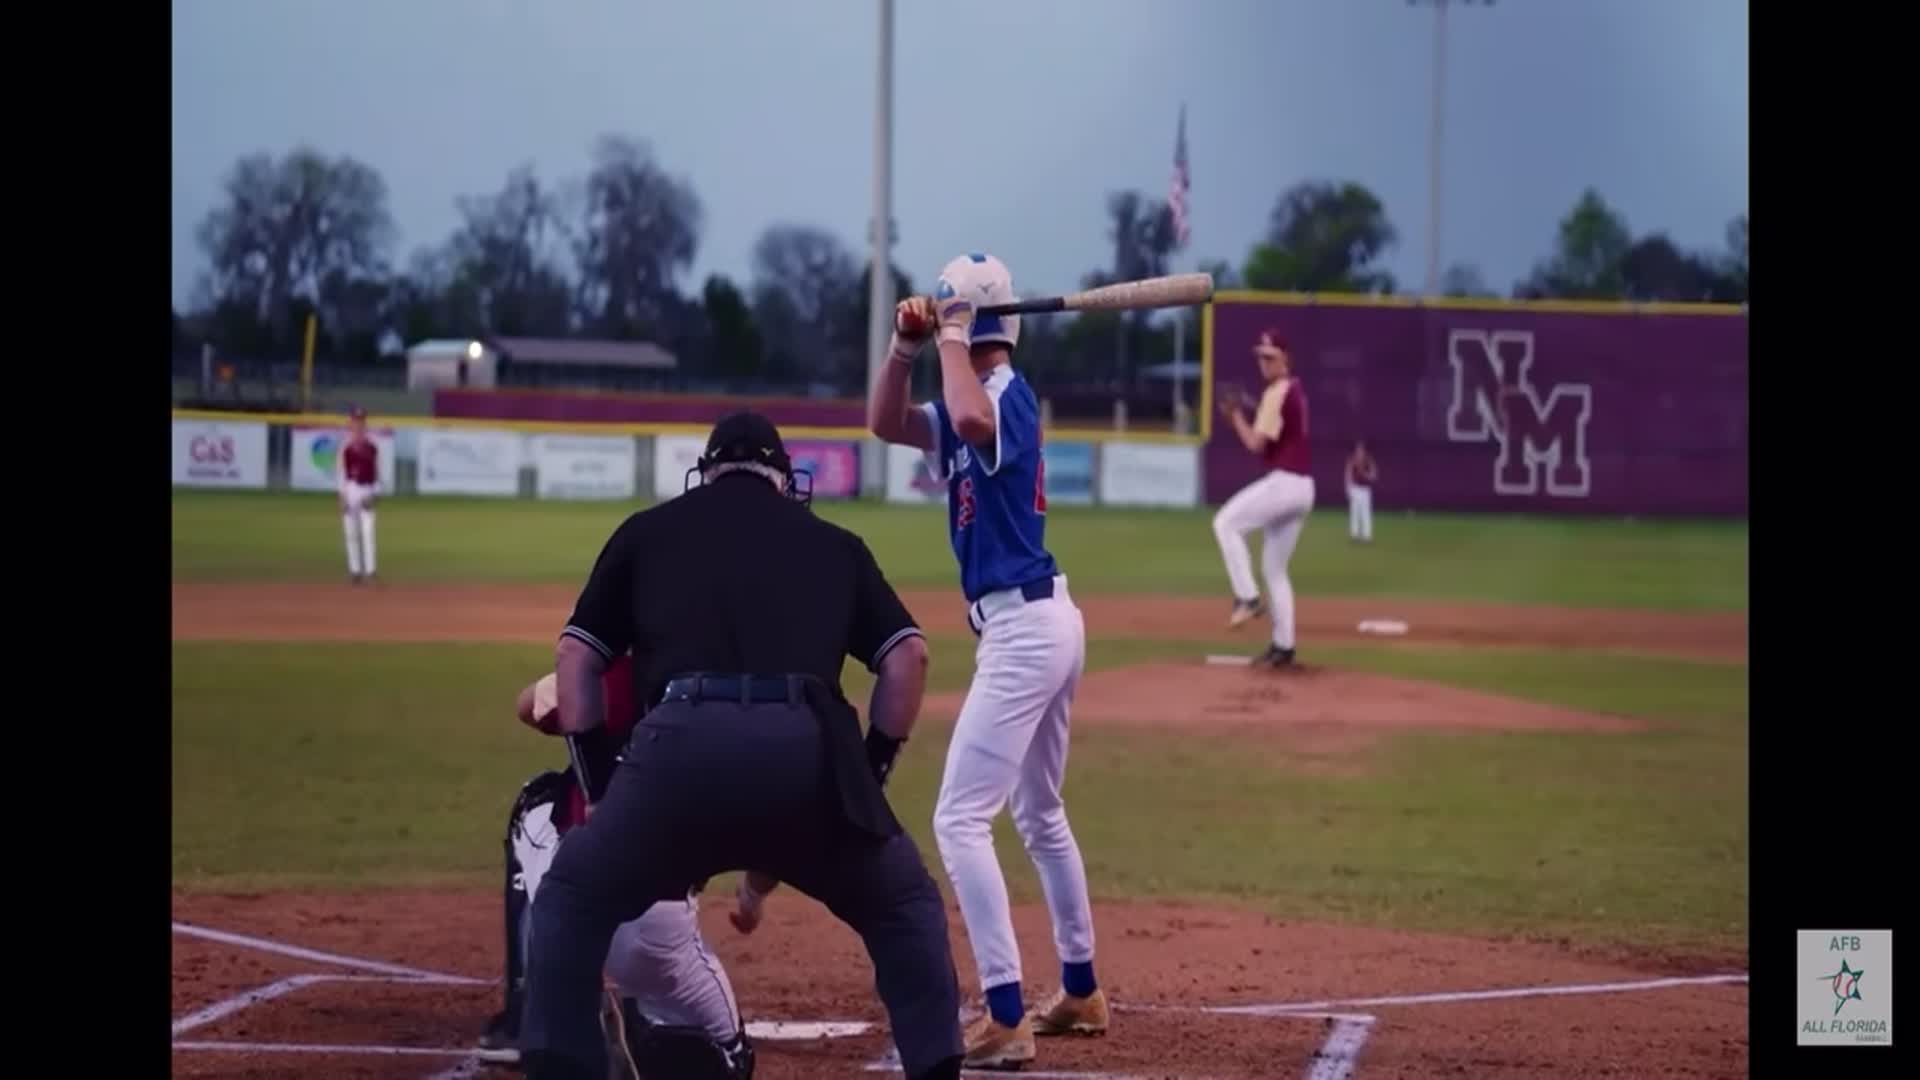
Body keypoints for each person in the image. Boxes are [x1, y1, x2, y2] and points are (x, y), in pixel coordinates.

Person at [518, 412, 964, 1080]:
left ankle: (563, 1067)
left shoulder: (647, 532)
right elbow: (909, 661)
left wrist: (603, 783)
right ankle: (937, 1069)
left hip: (677, 752)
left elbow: (574, 656)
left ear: (708, 471)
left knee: (571, 897)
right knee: (905, 908)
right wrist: (862, 782)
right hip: (807, 755)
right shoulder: (835, 543)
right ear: (784, 479)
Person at [866, 253, 1106, 1072]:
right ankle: (1079, 986)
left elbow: (970, 421)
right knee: (1038, 813)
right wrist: (906, 347)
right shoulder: (972, 389)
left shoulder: (1006, 396)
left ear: (976, 323)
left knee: (960, 819)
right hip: (1036, 622)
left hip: (1028, 628)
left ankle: (1006, 1012)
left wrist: (953, 337)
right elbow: (885, 424)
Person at [478, 656, 754, 1079]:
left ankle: (530, 1016)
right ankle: (643, 1028)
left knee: (536, 803)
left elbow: (527, 706)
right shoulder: (733, 696)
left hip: (574, 905)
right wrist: (754, 893)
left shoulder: (615, 675)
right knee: (729, 1059)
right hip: (659, 926)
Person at [1211, 328, 1314, 668]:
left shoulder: (1278, 391)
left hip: (1285, 483)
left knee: (1225, 522)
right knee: (1275, 569)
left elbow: (1255, 443)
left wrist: (1235, 417)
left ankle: (1247, 597)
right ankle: (1283, 647)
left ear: (1287, 359)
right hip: (1303, 488)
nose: (1264, 362)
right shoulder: (1293, 390)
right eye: (1261, 356)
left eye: (1270, 356)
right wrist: (1245, 414)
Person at [338, 406, 379, 584]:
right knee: (350, 533)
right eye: (355, 420)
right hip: (351, 489)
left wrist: (374, 494)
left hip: (366, 489)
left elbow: (378, 473)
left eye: (361, 420)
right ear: (351, 423)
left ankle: (370, 571)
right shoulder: (345, 446)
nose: (358, 424)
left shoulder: (372, 446)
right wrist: (342, 496)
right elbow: (340, 473)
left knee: (368, 531)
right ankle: (355, 571)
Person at [1345, 440, 1378, 543]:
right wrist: (1348, 489)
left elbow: (1374, 475)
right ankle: (1354, 535)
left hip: (1365, 490)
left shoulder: (1369, 460)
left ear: (1364, 450)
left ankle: (1366, 536)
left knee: (1365, 513)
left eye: (1361, 450)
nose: (1359, 452)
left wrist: (1365, 474)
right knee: (1354, 512)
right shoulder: (1352, 460)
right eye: (1358, 450)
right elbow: (1348, 474)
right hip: (1355, 489)